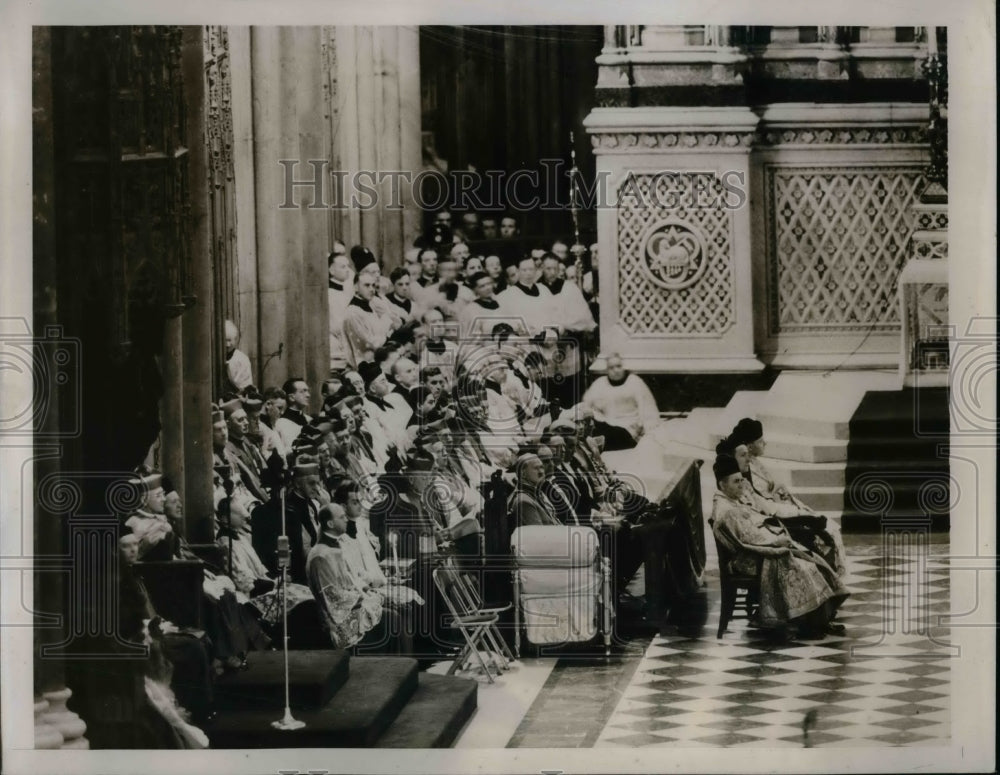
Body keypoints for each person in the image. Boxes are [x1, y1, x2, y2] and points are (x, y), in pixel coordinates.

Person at [711, 455, 848, 638]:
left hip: (759, 548)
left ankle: (820, 621)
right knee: (804, 567)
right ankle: (811, 625)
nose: (741, 485)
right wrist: (778, 541)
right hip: (750, 558)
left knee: (810, 558)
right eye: (736, 482)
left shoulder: (730, 501)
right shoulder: (726, 510)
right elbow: (748, 539)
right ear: (722, 485)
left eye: (741, 480)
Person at [251, 457, 322, 585]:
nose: (317, 488)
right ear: (297, 484)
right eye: (311, 483)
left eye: (318, 483)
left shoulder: (311, 504)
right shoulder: (289, 511)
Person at [579, 354, 660, 451]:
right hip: (607, 423)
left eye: (618, 366)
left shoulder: (635, 382)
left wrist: (642, 425)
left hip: (628, 427)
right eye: (611, 368)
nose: (615, 370)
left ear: (623, 367)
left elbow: (648, 407)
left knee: (614, 436)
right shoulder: (600, 383)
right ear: (607, 370)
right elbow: (587, 403)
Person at [342, 270, 396, 368]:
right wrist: (388, 333)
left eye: (373, 285)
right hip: (363, 366)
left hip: (376, 360)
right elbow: (369, 343)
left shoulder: (371, 306)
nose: (371, 289)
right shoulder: (353, 312)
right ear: (356, 287)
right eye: (367, 285)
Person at [507, 453, 563, 531]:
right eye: (536, 468)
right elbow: (538, 536)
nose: (541, 472)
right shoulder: (524, 501)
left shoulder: (537, 494)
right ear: (523, 474)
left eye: (541, 467)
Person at [328, 249, 355, 368]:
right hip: (337, 344)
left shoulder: (347, 291)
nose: (347, 270)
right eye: (343, 267)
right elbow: (336, 325)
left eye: (348, 266)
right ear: (332, 270)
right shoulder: (329, 294)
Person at [224, 320, 253, 394]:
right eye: (225, 340)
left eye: (230, 340)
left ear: (235, 339)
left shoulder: (241, 359)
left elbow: (245, 385)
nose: (227, 344)